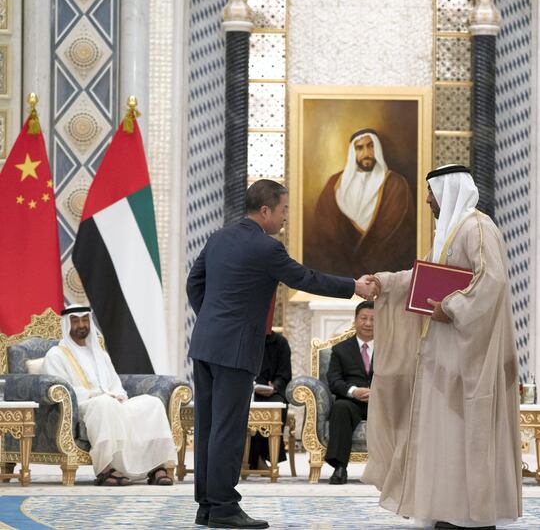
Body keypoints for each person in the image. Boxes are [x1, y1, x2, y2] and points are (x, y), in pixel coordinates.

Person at [187, 179, 374, 529]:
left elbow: (194, 284)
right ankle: (224, 507)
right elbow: (307, 278)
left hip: (206, 344)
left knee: (209, 426)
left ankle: (207, 506)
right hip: (237, 349)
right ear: (266, 211)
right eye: (284, 210)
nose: (286, 217)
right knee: (227, 429)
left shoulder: (217, 238)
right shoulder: (267, 248)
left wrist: (214, 320)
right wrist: (354, 287)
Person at [361, 165, 522, 530]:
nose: (429, 200)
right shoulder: (448, 234)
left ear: (449, 190)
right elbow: (422, 280)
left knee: (464, 432)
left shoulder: (478, 228)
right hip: (441, 356)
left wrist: (451, 308)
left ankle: (468, 514)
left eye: (432, 192)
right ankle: (445, 508)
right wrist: (384, 283)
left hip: (469, 357)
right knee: (443, 435)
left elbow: (491, 280)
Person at [42, 305, 176, 486]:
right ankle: (105, 469)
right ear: (67, 324)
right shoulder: (56, 355)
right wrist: (98, 396)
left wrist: (117, 395)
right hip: (83, 407)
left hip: (111, 402)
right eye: (75, 321)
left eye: (84, 320)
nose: (81, 325)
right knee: (104, 404)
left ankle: (156, 467)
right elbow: (60, 388)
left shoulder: (100, 354)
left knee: (152, 404)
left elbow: (116, 385)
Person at [304, 128, 416, 278]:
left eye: (371, 146)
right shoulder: (334, 184)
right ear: (353, 152)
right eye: (360, 148)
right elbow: (324, 229)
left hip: (384, 273)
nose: (367, 153)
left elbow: (399, 233)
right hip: (340, 273)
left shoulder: (395, 184)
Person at [325, 301, 375, 485]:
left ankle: (394, 471)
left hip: (381, 401)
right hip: (352, 401)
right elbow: (334, 381)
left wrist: (378, 392)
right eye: (364, 318)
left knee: (399, 408)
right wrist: (353, 392)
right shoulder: (341, 349)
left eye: (373, 319)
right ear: (355, 321)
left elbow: (398, 377)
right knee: (340, 407)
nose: (368, 323)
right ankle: (339, 467)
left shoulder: (390, 347)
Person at [247, 331, 292, 471]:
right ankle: (244, 457)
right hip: (245, 390)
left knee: (278, 404)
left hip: (271, 391)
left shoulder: (280, 342)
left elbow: (284, 374)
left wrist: (275, 386)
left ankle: (262, 457)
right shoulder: (243, 338)